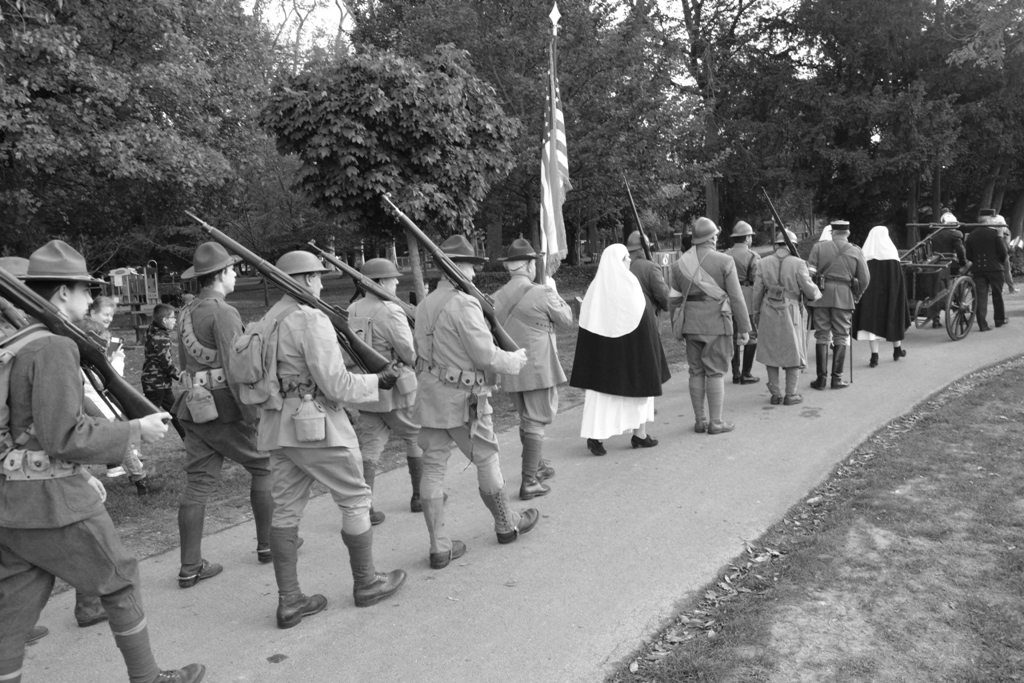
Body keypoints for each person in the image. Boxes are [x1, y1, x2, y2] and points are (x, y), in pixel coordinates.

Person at [0, 240, 204, 683]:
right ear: (61, 294)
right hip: (51, 500)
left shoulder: (18, 342)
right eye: (83, 289)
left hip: (12, 500)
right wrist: (133, 431)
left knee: (12, 609)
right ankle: (148, 677)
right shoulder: (52, 347)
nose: (91, 299)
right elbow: (62, 436)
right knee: (121, 578)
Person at [255, 251, 407, 629]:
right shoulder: (311, 318)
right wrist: (378, 381)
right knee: (356, 498)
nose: (322, 283)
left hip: (277, 426)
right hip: (317, 425)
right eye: (318, 277)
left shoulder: (267, 319)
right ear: (305, 280)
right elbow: (336, 384)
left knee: (286, 510)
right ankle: (367, 582)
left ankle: (290, 601)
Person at [413, 235, 536, 570]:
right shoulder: (465, 304)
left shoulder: (424, 303)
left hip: (432, 399)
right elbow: (484, 355)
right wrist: (512, 360)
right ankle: (506, 524)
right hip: (465, 401)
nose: (474, 273)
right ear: (459, 269)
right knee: (487, 460)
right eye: (470, 266)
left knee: (434, 466)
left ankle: (439, 547)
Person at [173, 242, 273, 586]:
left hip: (195, 405)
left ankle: (190, 566)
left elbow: (185, 365)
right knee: (264, 465)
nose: (235, 276)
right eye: (232, 270)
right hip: (225, 408)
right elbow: (236, 367)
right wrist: (252, 412)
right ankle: (268, 545)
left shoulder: (187, 311)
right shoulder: (222, 312)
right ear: (220, 275)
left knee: (197, 484)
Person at [493, 239, 574, 500]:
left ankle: (536, 465)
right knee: (536, 421)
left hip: (512, 368)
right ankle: (529, 481)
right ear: (529, 265)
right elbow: (566, 319)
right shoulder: (542, 292)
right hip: (538, 367)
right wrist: (554, 291)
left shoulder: (494, 297)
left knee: (526, 418)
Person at [571, 243, 669, 453]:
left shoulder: (594, 289)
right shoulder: (631, 286)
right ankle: (639, 435)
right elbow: (646, 322)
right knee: (639, 394)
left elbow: (587, 325)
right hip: (632, 355)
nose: (629, 262)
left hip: (603, 361)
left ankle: (596, 438)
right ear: (618, 261)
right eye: (626, 259)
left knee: (601, 399)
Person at [349, 258, 420, 521]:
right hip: (396, 389)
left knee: (370, 447)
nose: (397, 281)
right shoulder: (390, 310)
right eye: (392, 278)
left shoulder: (353, 308)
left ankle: (365, 507)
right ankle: (420, 496)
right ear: (379, 283)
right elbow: (409, 353)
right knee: (416, 437)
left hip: (367, 388)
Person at [668, 217, 749, 434]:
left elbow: (674, 300)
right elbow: (737, 297)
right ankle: (716, 422)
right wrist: (744, 328)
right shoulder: (724, 261)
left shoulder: (678, 265)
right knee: (715, 372)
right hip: (717, 323)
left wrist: (676, 324)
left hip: (690, 324)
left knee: (695, 372)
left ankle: (700, 421)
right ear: (713, 237)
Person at [752, 230, 821, 405]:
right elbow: (809, 289)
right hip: (791, 310)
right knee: (793, 350)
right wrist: (816, 293)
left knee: (771, 351)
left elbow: (757, 291)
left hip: (768, 308)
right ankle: (791, 394)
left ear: (777, 245)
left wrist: (756, 313)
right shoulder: (798, 263)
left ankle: (775, 394)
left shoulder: (763, 262)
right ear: (793, 245)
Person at [806, 220, 870, 389]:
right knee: (841, 336)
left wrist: (810, 293)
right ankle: (837, 379)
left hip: (821, 296)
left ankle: (821, 380)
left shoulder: (818, 248)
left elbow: (809, 274)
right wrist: (856, 295)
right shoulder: (856, 251)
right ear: (847, 233)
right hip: (844, 297)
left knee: (822, 335)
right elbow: (865, 279)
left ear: (832, 232)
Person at [852, 226, 911, 366]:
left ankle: (874, 357)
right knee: (893, 318)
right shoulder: (892, 254)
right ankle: (897, 350)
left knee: (873, 324)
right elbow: (898, 280)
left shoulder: (865, 255)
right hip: (890, 294)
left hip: (872, 297)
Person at [142, 303, 186, 440]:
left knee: (175, 412)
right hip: (156, 384)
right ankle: (130, 446)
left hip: (159, 383)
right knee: (146, 417)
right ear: (165, 320)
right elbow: (166, 364)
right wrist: (180, 377)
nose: (175, 320)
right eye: (173, 318)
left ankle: (188, 440)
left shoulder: (153, 331)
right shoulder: (161, 337)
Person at [726, 221, 761, 385]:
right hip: (747, 297)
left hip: (728, 299)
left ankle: (735, 373)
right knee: (751, 334)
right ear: (747, 238)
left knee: (733, 336)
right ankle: (746, 373)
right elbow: (758, 279)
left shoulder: (725, 255)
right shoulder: (753, 256)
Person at [965, 215, 1009, 331]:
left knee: (981, 297)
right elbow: (1003, 252)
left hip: (978, 270)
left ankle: (982, 324)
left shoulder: (971, 235)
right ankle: (999, 319)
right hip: (995, 269)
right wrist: (999, 261)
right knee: (997, 295)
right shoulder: (995, 234)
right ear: (988, 221)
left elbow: (968, 256)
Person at [929, 212, 967, 328]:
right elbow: (960, 251)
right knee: (957, 283)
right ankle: (957, 303)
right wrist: (963, 262)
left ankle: (936, 319)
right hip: (951, 266)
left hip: (935, 265)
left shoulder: (934, 234)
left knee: (935, 290)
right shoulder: (955, 234)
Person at [626, 230, 670, 318]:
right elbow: (663, 295)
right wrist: (666, 306)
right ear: (643, 249)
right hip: (649, 318)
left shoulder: (620, 265)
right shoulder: (651, 267)